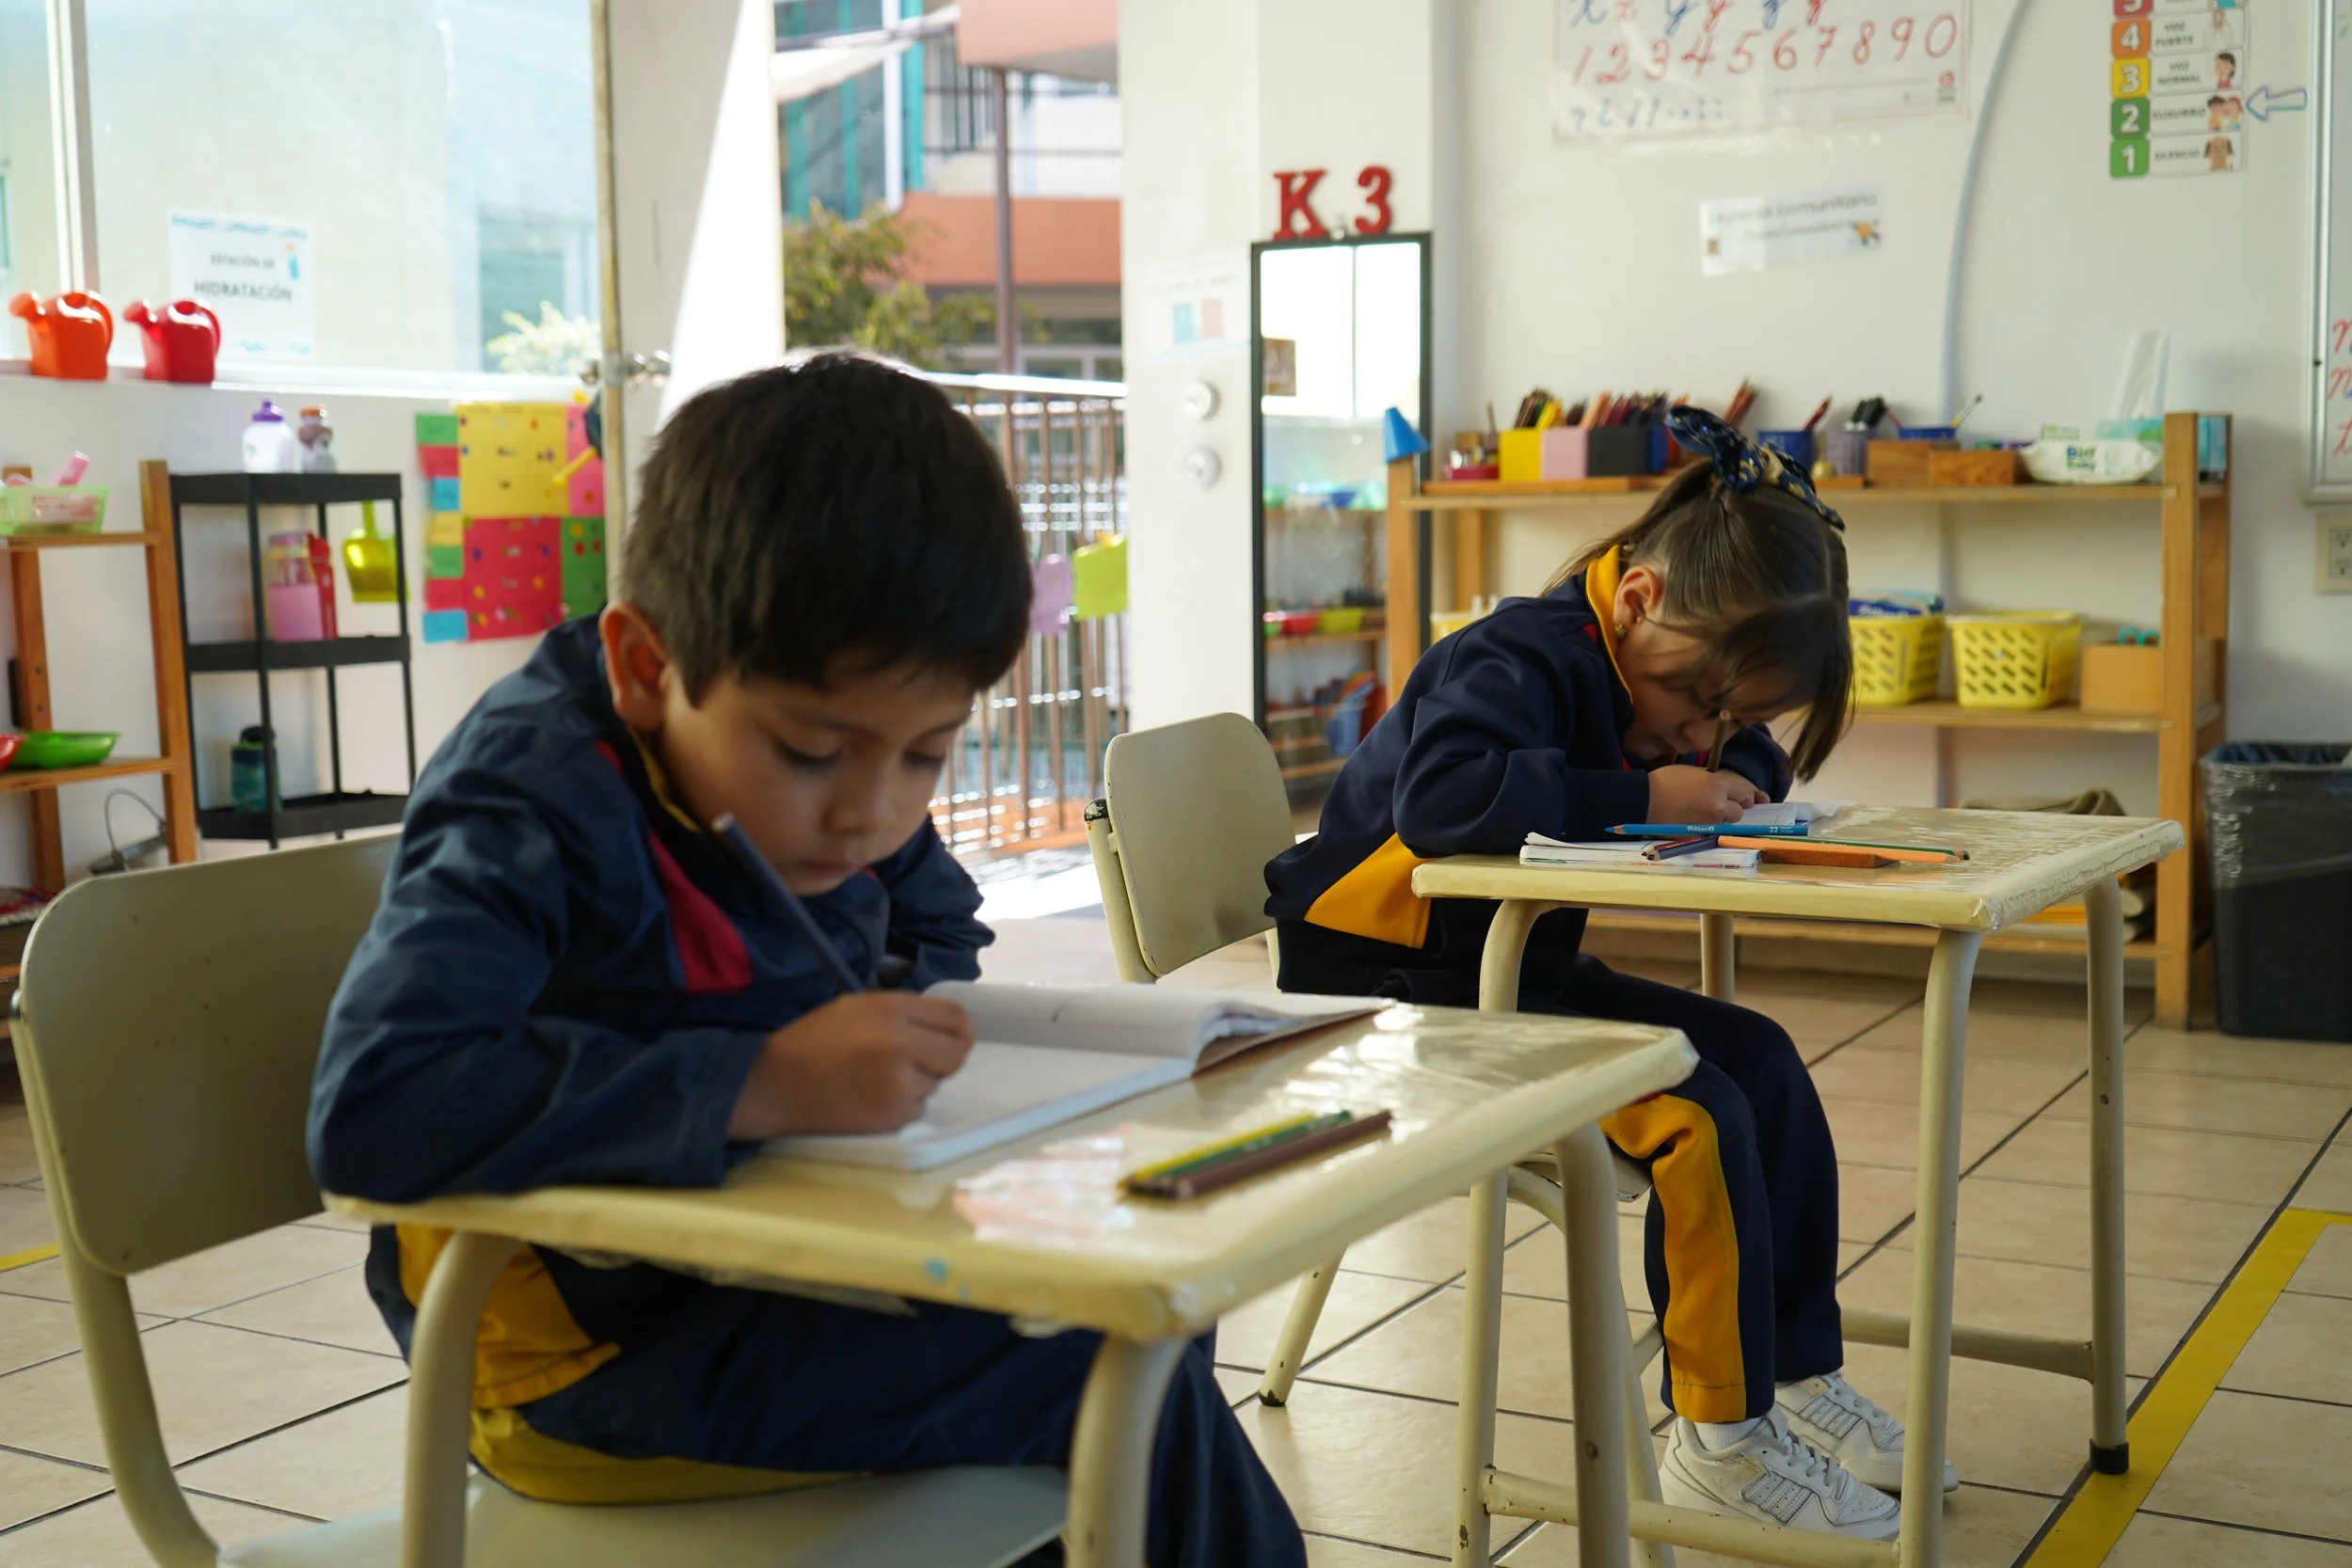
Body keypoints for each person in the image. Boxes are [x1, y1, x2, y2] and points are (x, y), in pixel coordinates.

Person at [310, 356, 1304, 1568]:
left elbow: (929, 924)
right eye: (813, 753)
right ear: (642, 666)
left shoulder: (838, 754)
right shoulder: (530, 800)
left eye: (928, 756)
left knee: (1153, 1303)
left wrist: (899, 1020)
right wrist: (762, 1081)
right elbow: (376, 1103)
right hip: (567, 1356)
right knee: (1113, 1363)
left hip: (777, 1260)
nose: (870, 814)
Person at [1265, 407, 1948, 1542]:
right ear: (1634, 602)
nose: (1699, 736)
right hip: (1397, 998)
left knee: (1763, 1061)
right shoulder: (1516, 655)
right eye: (1697, 704)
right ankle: (1719, 1440)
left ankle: (1785, 1374)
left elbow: (1750, 750)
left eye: (1735, 712)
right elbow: (1440, 803)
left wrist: (1726, 754)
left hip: (1510, 972)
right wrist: (1646, 797)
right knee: (1696, 1111)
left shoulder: (1651, 661)